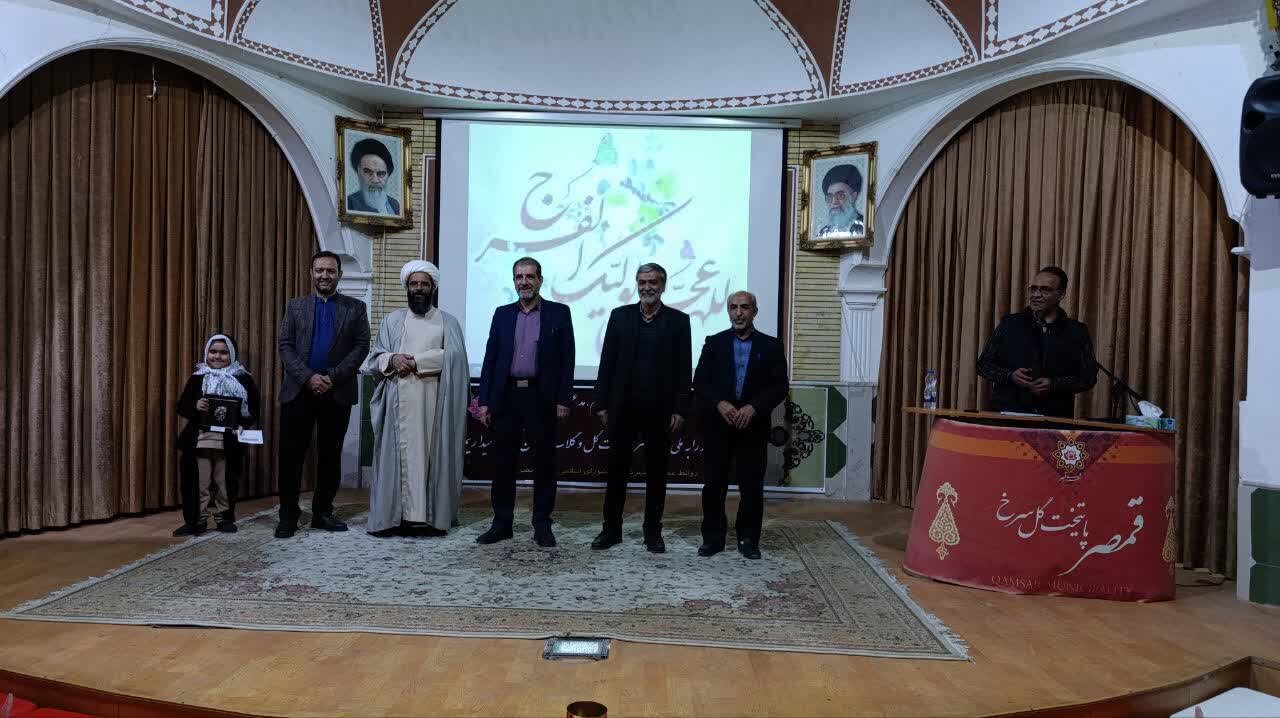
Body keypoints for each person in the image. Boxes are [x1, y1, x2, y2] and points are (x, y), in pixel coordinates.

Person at [361, 260, 470, 537]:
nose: (419, 288)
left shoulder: (448, 321)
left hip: (434, 403)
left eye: (424, 284)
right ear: (407, 288)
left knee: (431, 458)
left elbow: (456, 358)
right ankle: (392, 519)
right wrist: (392, 359)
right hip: (397, 403)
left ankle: (431, 519)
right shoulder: (392, 320)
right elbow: (375, 357)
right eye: (414, 284)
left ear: (433, 288)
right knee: (396, 460)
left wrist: (416, 362)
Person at [475, 257, 575, 547]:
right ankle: (501, 524)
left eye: (530, 276)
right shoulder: (502, 314)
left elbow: (567, 359)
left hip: (541, 397)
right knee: (503, 464)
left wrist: (563, 399)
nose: (524, 282)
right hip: (506, 397)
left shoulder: (559, 313)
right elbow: (490, 359)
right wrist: (484, 401)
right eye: (519, 277)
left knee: (544, 464)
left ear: (540, 280)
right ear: (514, 281)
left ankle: (542, 525)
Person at [591, 262, 691, 553]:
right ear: (637, 284)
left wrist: (680, 409)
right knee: (616, 472)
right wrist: (601, 403)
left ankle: (652, 532)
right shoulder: (619, 316)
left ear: (663, 286)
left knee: (657, 474)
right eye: (642, 282)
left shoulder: (678, 321)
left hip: (660, 410)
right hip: (622, 407)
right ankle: (611, 530)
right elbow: (607, 362)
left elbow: (684, 369)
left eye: (653, 282)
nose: (647, 287)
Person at [276, 250, 371, 538]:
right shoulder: (295, 307)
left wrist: (332, 377)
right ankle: (288, 515)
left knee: (330, 455)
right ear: (311, 273)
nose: (325, 275)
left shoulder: (355, 308)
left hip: (336, 391)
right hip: (299, 391)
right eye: (319, 270)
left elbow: (361, 346)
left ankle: (322, 513)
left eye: (330, 271)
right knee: (291, 456)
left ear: (339, 274)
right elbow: (285, 345)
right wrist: (308, 377)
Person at [692, 291, 788, 559]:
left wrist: (753, 407)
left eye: (744, 307)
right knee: (714, 485)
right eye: (733, 307)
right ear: (728, 311)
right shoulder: (714, 343)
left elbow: (779, 386)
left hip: (752, 427)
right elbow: (700, 382)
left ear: (754, 312)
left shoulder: (771, 346)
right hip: (718, 425)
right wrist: (719, 403)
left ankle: (748, 540)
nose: (738, 313)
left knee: (751, 486)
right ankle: (713, 539)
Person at [976, 266, 1097, 417]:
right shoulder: (1010, 324)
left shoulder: (1077, 331)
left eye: (1045, 290)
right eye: (1033, 289)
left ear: (1061, 295)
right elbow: (983, 365)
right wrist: (1010, 376)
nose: (1036, 295)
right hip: (1009, 414)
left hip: (1054, 418)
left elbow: (1088, 377)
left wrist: (1055, 384)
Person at [173, 334, 261, 537]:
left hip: (228, 442)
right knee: (198, 482)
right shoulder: (198, 377)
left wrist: (243, 424)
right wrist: (195, 405)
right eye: (213, 352)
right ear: (206, 353)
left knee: (224, 482)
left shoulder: (243, 378)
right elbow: (182, 406)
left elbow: (253, 408)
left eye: (223, 352)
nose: (217, 356)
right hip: (200, 440)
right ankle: (197, 521)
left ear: (232, 355)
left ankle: (224, 518)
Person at [346, 138, 401, 216]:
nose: (375, 180)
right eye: (368, 172)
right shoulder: (350, 203)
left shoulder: (394, 204)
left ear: (388, 174)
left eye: (381, 173)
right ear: (358, 171)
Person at [816, 164, 866, 236]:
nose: (834, 202)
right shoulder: (822, 233)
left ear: (853, 197)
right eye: (830, 197)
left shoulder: (866, 226)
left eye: (840, 195)